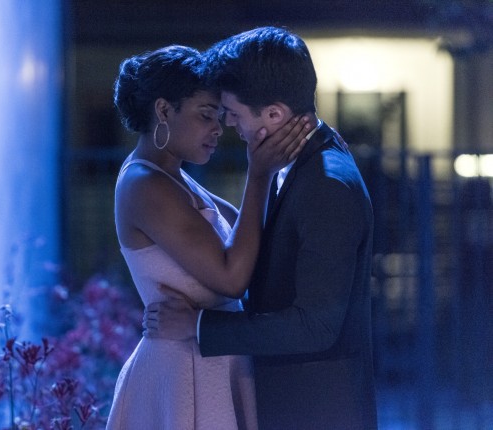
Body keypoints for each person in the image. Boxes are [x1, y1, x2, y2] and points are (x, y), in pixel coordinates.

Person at [144, 27, 378, 429]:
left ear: (273, 115)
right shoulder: (305, 164)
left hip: (318, 410)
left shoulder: (327, 183)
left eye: (234, 114)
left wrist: (198, 325)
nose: (229, 125)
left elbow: (315, 326)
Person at [106, 45, 315, 430]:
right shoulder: (144, 184)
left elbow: (252, 242)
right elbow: (231, 278)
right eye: (206, 115)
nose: (218, 128)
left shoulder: (176, 178)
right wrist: (259, 173)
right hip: (183, 374)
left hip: (212, 363)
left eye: (220, 116)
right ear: (163, 110)